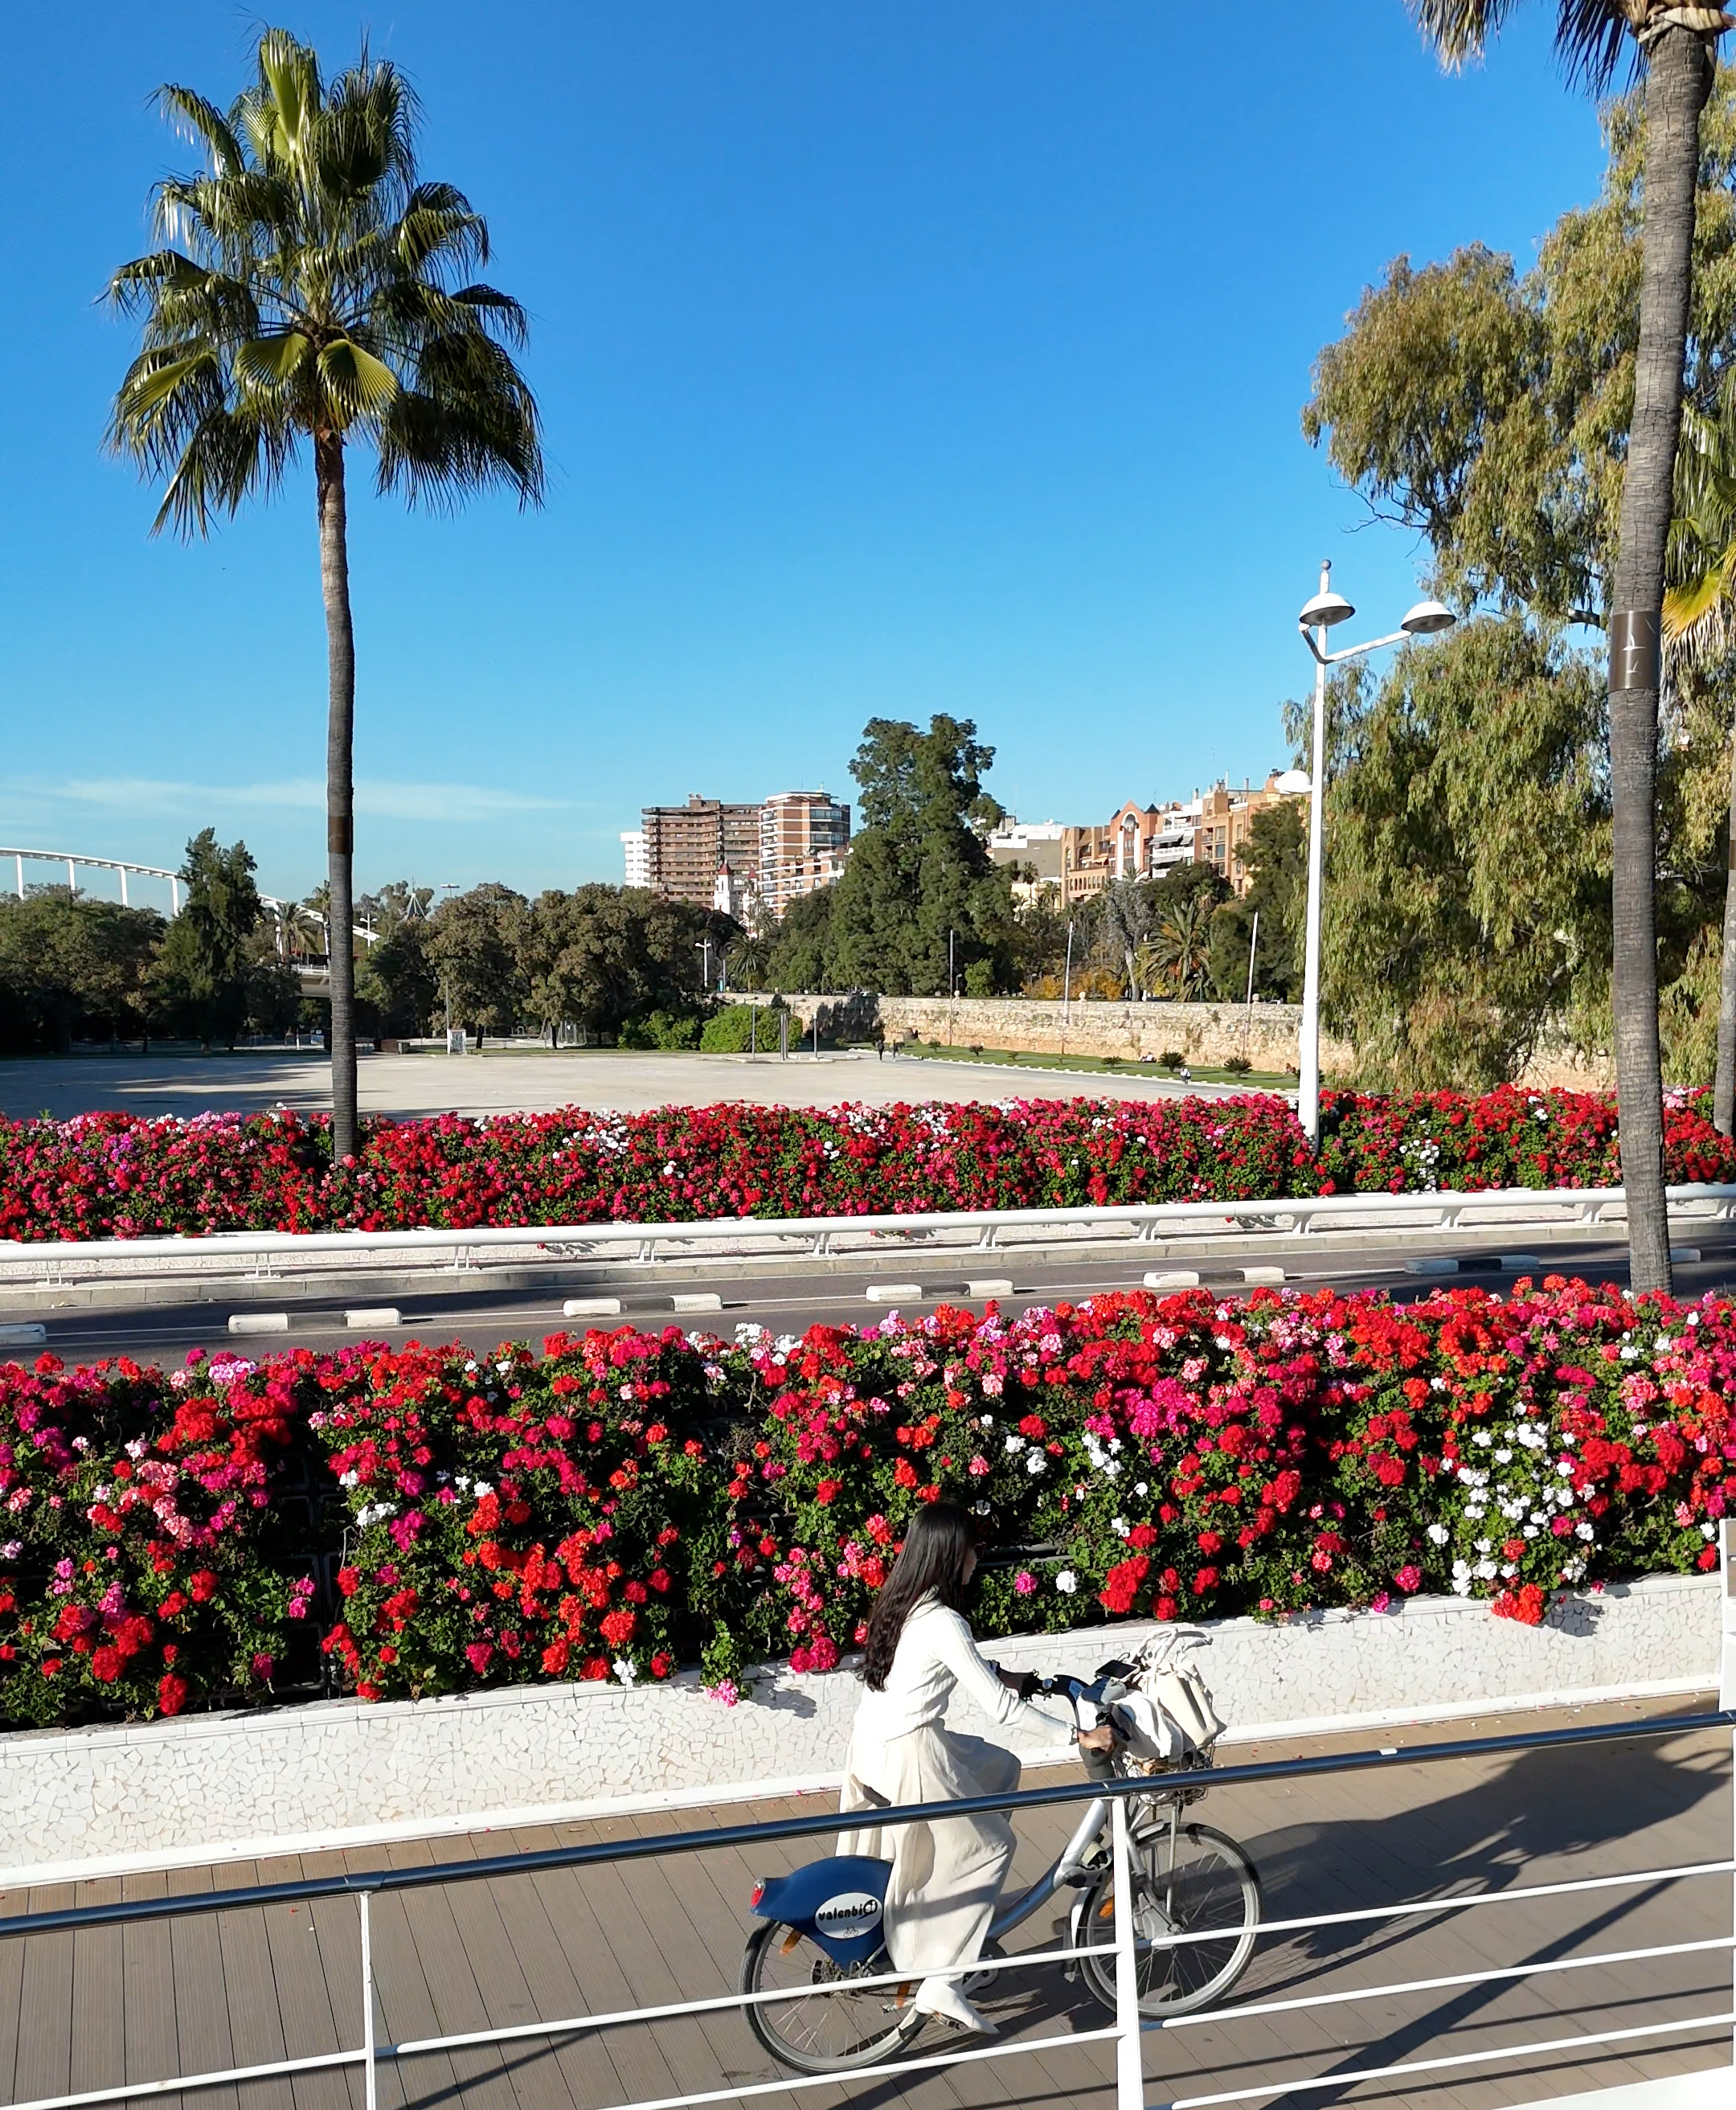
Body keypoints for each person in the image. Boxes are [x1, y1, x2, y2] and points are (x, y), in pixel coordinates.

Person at [838, 1502, 1116, 2035]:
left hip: (876, 1745)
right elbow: (999, 1709)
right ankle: (942, 1976)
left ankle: (958, 1917)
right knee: (989, 1846)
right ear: (953, 1553)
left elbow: (965, 1668)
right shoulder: (945, 1620)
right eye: (975, 1547)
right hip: (911, 1750)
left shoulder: (904, 1602)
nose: (977, 1558)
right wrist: (1077, 1735)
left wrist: (1022, 1677)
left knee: (998, 1767)